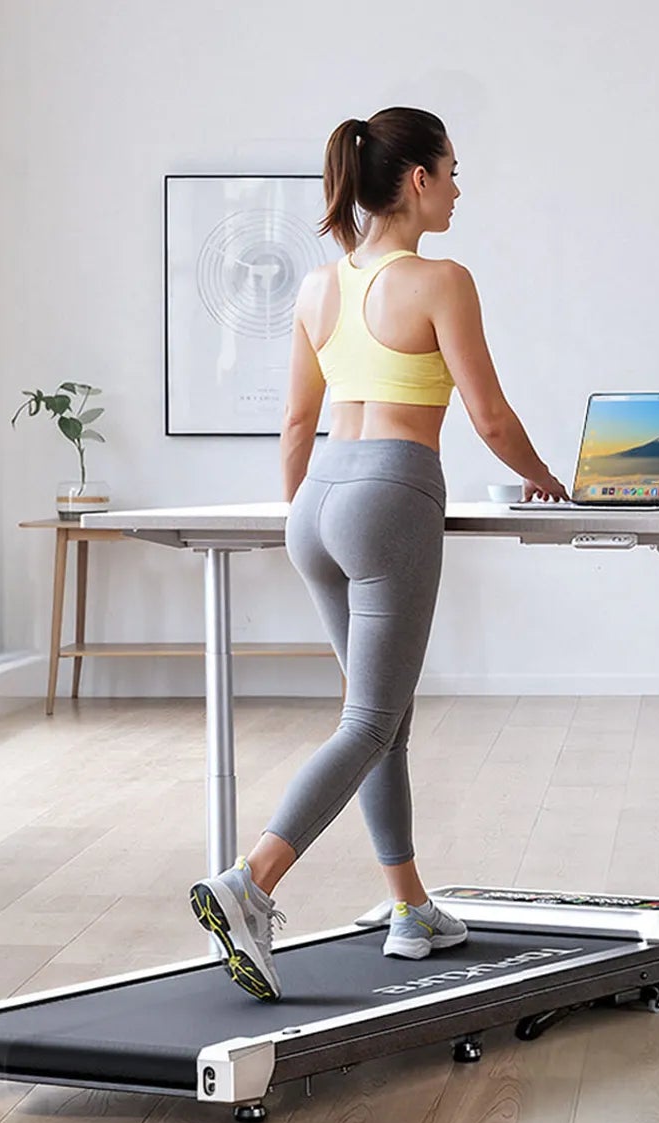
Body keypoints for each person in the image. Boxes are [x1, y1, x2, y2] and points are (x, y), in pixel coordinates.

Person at [189, 107, 570, 1000]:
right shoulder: (441, 279)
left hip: (317, 501)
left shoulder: (319, 286)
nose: (459, 188)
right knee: (369, 722)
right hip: (392, 493)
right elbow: (488, 418)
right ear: (417, 180)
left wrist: (303, 520)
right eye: (452, 170)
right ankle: (250, 883)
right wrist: (547, 478)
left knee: (381, 719)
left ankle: (410, 908)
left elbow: (294, 422)